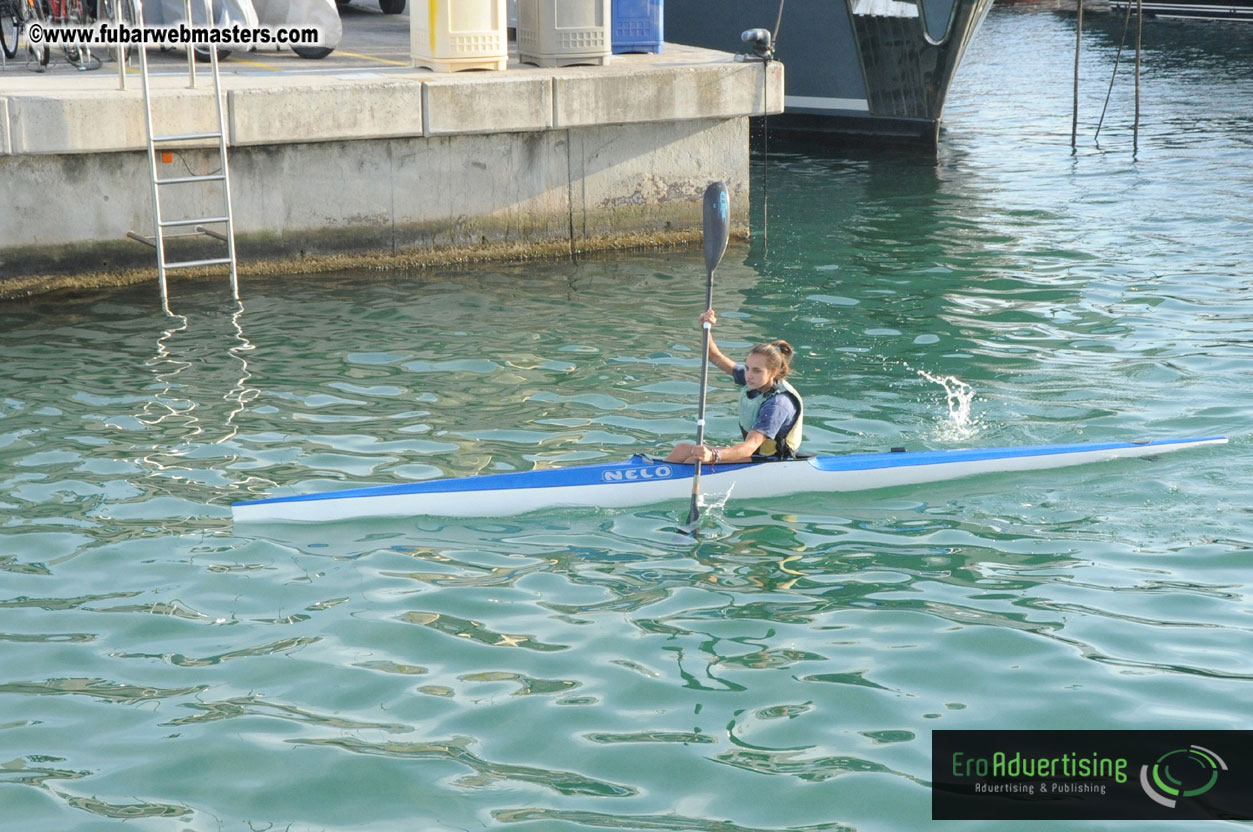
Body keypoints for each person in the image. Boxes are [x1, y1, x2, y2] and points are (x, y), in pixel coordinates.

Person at [665, 308, 804, 465]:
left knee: (693, 460)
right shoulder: (754, 380)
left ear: (773, 372)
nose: (748, 375)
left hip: (771, 461)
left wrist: (714, 455)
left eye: (756, 370)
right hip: (754, 453)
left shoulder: (777, 405)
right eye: (747, 368)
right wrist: (706, 327)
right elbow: (714, 356)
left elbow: (749, 447)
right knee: (681, 449)